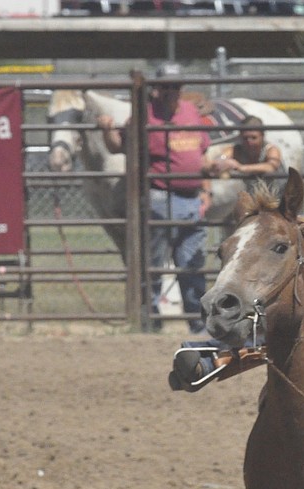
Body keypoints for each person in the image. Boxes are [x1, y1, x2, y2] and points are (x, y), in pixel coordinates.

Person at [97, 61, 211, 334]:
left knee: (191, 262)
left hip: (191, 196)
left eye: (175, 86)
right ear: (156, 89)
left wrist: (206, 191)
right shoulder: (144, 115)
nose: (170, 91)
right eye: (165, 87)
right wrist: (106, 130)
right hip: (160, 194)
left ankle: (198, 322)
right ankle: (151, 318)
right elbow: (118, 146)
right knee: (154, 263)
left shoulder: (190, 112)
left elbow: (201, 153)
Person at [204, 114, 283, 192]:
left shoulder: (271, 149)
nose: (249, 142)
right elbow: (221, 158)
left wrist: (241, 167)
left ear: (262, 136)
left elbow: (271, 167)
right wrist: (221, 162)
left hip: (274, 194)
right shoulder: (236, 149)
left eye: (253, 138)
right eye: (245, 138)